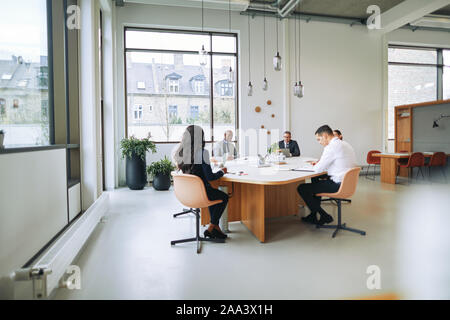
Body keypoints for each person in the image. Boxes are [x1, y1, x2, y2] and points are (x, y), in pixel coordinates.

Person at [174, 125, 229, 240]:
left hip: (186, 194)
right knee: (223, 197)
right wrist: (222, 172)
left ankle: (215, 228)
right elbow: (210, 177)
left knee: (212, 193)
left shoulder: (181, 152)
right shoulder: (203, 153)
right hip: (200, 193)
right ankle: (211, 228)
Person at [297, 125, 357, 225]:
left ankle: (325, 216)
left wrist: (310, 167)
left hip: (338, 184)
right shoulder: (345, 144)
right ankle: (313, 215)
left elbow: (318, 169)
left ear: (325, 136)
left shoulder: (331, 147)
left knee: (302, 188)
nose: (319, 142)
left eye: (319, 139)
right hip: (348, 183)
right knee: (315, 179)